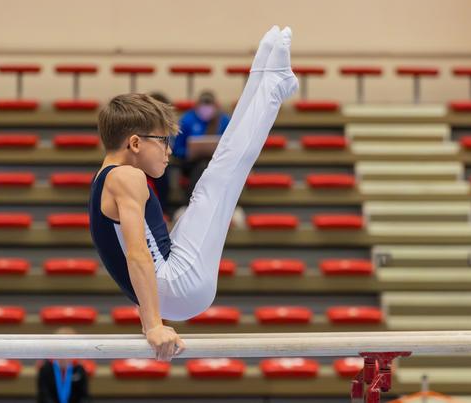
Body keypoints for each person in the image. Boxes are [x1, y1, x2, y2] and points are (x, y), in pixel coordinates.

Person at [88, 26, 298, 362]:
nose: (169, 152)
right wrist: (154, 324)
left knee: (218, 176)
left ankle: (264, 76)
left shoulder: (105, 177)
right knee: (220, 178)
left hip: (168, 285)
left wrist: (148, 319)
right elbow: (137, 254)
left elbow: (130, 251)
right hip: (175, 286)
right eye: (164, 141)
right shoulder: (127, 177)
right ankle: (270, 83)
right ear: (136, 143)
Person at [37, 327, 90, 403]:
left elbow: (84, 396)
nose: (65, 352)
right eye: (62, 346)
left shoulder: (79, 369)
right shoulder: (46, 369)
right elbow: (43, 395)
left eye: (69, 347)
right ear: (55, 347)